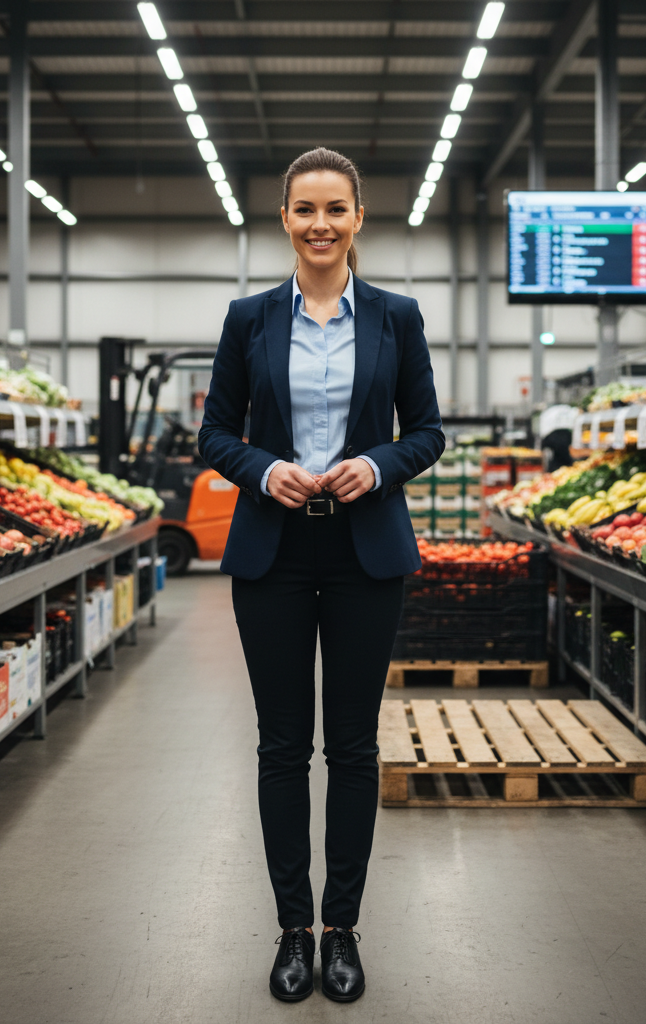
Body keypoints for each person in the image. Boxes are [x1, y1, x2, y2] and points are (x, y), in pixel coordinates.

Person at [198, 147, 444, 1003]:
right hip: (272, 550)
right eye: (305, 209)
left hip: (363, 552)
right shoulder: (249, 320)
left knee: (352, 748)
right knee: (280, 747)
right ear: (285, 220)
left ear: (358, 219)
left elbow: (428, 431)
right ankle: (292, 932)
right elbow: (217, 433)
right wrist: (266, 471)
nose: (321, 224)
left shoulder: (396, 318)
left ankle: (342, 931)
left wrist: (375, 466)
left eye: (336, 209)